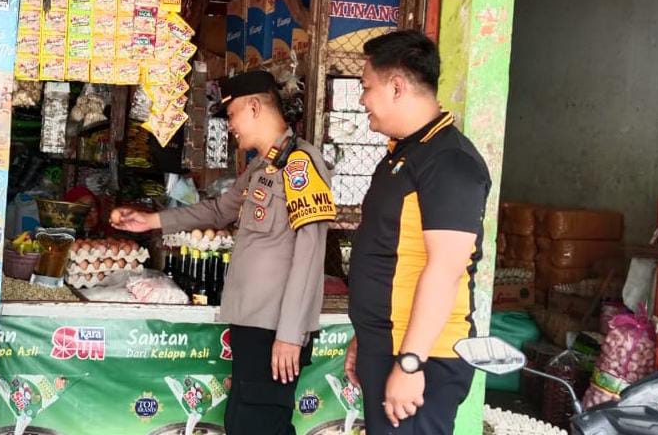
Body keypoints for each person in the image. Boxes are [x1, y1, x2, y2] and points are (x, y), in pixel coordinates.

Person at [111, 71, 337, 435]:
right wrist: (151, 220)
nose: (230, 125)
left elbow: (310, 254)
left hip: (275, 328)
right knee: (244, 423)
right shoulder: (263, 166)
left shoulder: (300, 165)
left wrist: (291, 335)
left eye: (231, 115)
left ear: (253, 107)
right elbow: (219, 211)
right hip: (254, 324)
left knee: (260, 425)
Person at [343, 30, 491, 434]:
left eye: (365, 87)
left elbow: (444, 271)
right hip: (390, 344)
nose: (361, 100)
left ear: (396, 86)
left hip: (425, 357)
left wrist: (411, 363)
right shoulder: (406, 153)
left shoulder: (450, 162)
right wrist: (368, 337)